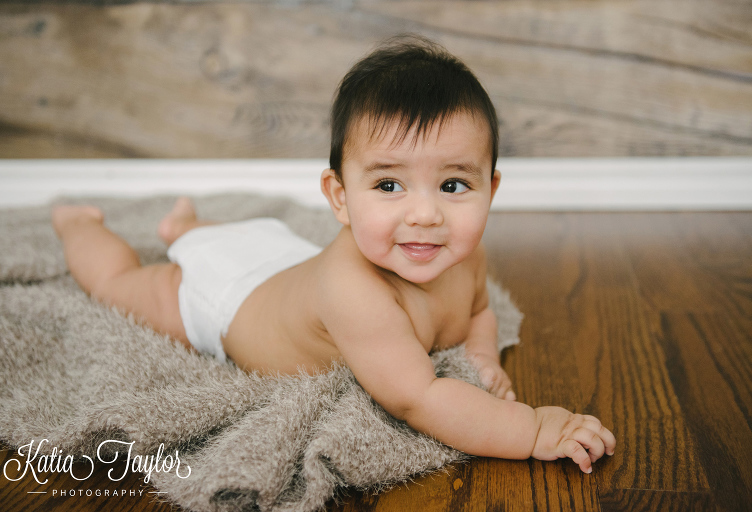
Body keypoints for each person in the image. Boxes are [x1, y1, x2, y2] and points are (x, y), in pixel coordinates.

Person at [52, 35, 615, 473]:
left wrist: (483, 355)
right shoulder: (356, 292)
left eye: (452, 186)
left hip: (280, 257)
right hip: (228, 296)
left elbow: (478, 312)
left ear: (490, 190)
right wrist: (535, 429)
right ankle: (81, 227)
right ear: (340, 198)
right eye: (389, 186)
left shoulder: (463, 256)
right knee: (121, 284)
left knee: (235, 242)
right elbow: (421, 397)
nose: (425, 214)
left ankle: (189, 226)